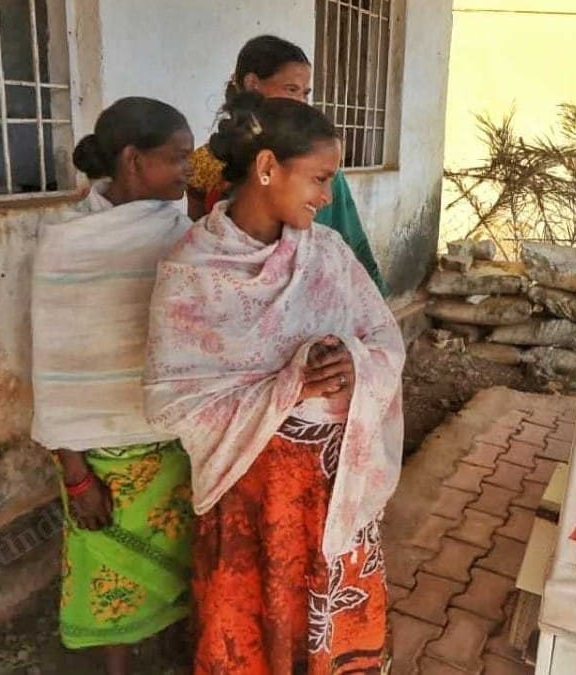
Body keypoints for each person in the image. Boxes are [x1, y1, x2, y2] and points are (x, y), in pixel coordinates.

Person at [145, 91, 404, 674]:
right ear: (267, 168)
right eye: (318, 178)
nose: (327, 196)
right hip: (251, 497)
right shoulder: (192, 271)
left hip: (334, 498)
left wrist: (355, 363)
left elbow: (386, 339)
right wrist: (288, 387)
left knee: (332, 637)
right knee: (249, 634)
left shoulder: (330, 254)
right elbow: (170, 400)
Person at [30, 97, 196, 675]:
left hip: (172, 445)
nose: (188, 171)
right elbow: (54, 372)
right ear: (132, 159)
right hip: (98, 459)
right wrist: (76, 478)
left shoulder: (183, 233)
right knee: (105, 568)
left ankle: (178, 649)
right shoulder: (68, 245)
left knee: (181, 558)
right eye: (177, 159)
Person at [187, 34, 388, 295]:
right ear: (252, 84)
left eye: (305, 93)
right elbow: (199, 232)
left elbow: (351, 242)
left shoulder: (317, 165)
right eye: (291, 89)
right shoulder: (208, 159)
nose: (300, 102)